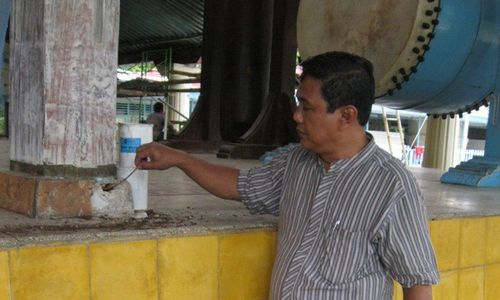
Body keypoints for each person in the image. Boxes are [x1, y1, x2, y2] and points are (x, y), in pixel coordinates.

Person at [135, 51, 439, 300]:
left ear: (347, 116)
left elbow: (418, 284)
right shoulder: (296, 162)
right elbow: (239, 185)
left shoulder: (391, 185)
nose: (295, 115)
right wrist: (179, 159)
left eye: (306, 107)